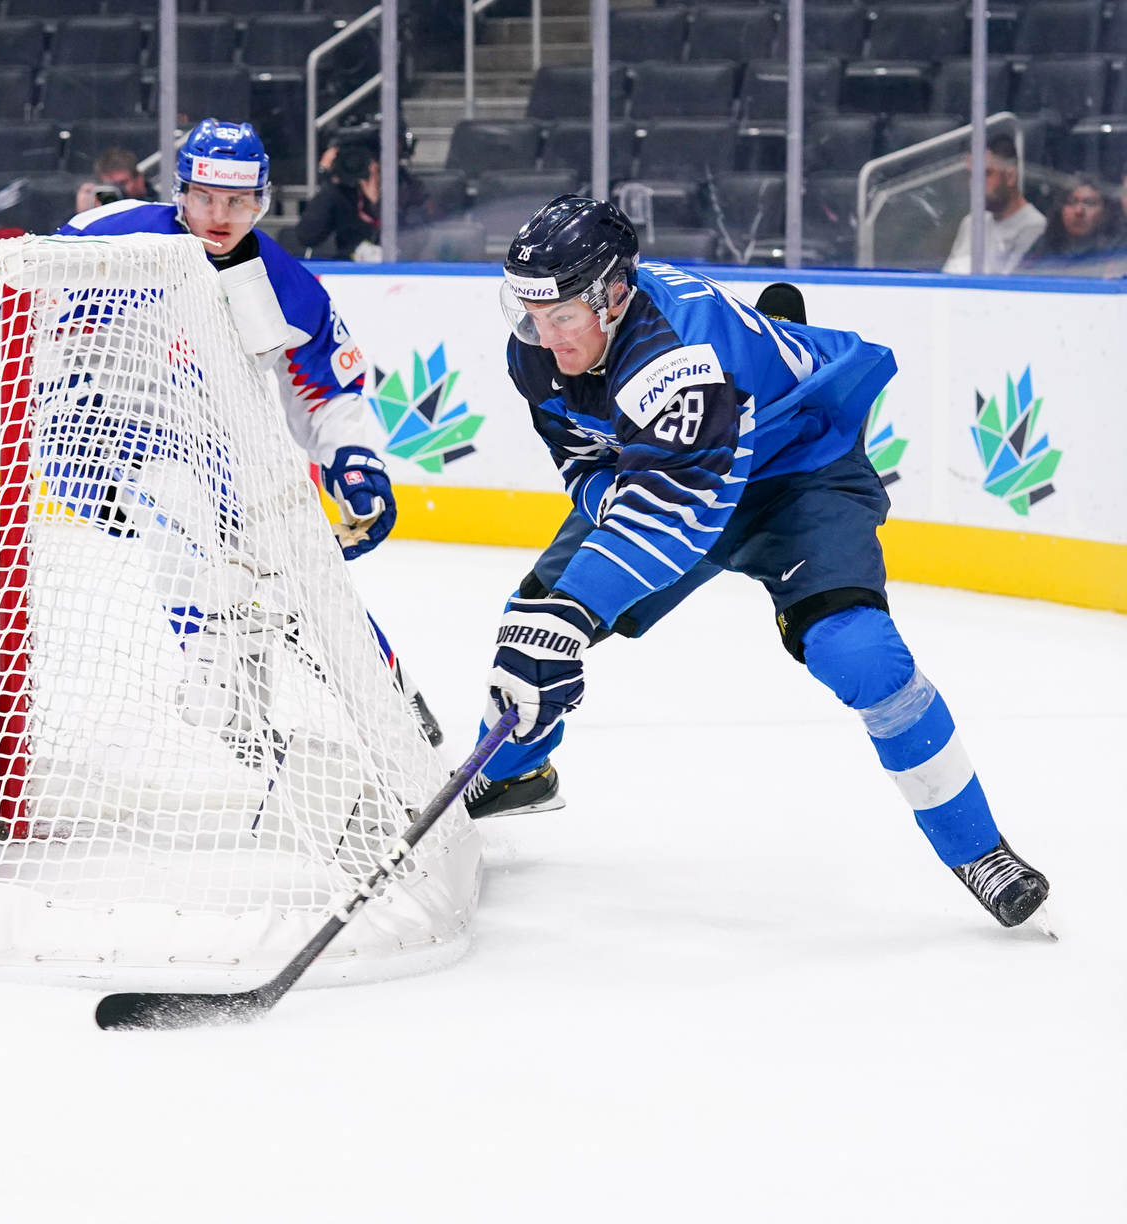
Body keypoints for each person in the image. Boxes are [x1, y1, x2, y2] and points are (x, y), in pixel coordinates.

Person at [470, 194, 1050, 931]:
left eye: (562, 318)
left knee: (859, 653)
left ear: (614, 294)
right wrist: (560, 611)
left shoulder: (678, 357)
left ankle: (979, 849)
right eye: (531, 314)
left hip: (795, 467)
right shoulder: (538, 351)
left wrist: (577, 606)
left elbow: (672, 518)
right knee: (530, 626)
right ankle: (513, 773)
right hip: (673, 470)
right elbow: (588, 464)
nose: (544, 337)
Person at [55, 119, 450, 749]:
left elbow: (325, 387)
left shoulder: (283, 282)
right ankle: (219, 687)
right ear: (179, 191)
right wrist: (65, 429)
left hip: (224, 453)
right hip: (109, 443)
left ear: (262, 201)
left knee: (304, 568)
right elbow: (23, 317)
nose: (220, 215)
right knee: (180, 509)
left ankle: (397, 719)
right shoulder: (115, 239)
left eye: (238, 201)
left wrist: (354, 460)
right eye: (206, 197)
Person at [941, 134, 1046, 275]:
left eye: (986, 174)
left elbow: (1011, 288)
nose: (975, 184)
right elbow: (949, 276)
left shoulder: (1035, 226)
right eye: (972, 174)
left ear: (1010, 176)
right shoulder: (971, 222)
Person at [1018, 174, 1121, 275]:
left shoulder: (1118, 250)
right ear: (1061, 209)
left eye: (1089, 203)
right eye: (1071, 202)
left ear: (1105, 211)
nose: (1079, 211)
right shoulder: (1043, 247)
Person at [296, 142, 382, 261]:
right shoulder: (339, 192)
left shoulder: (405, 186)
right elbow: (307, 236)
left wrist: (377, 202)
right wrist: (329, 180)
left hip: (395, 268)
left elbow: (409, 235)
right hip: (348, 268)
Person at [73, 146, 152, 216]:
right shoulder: (95, 212)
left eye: (122, 183)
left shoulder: (157, 207)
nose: (117, 190)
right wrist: (84, 215)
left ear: (139, 179)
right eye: (110, 185)